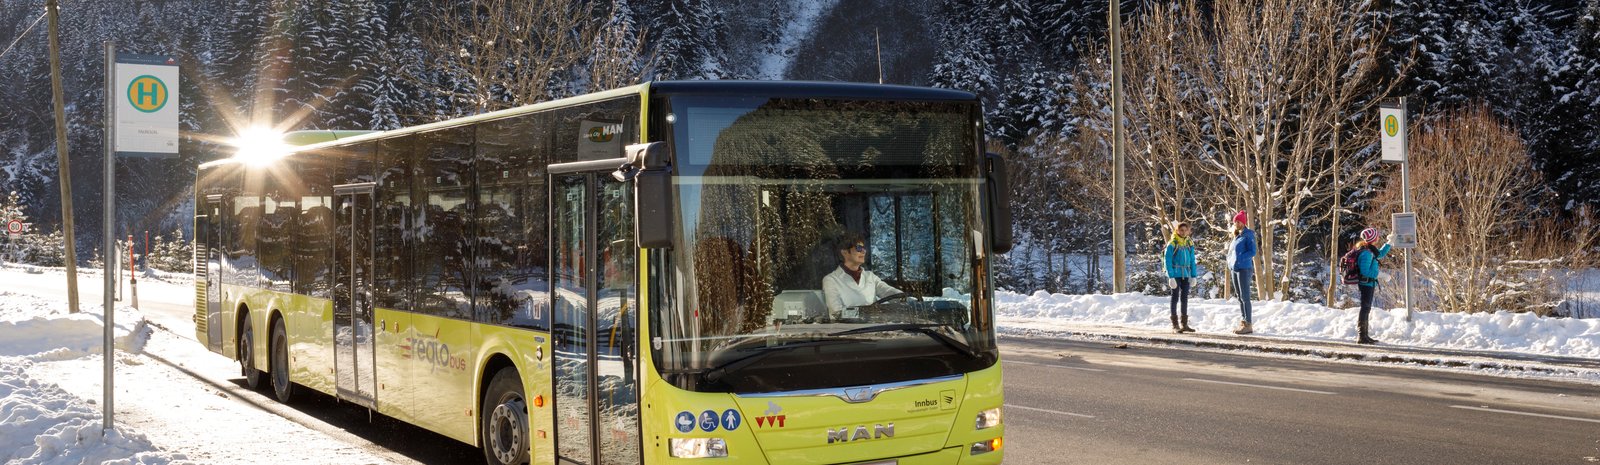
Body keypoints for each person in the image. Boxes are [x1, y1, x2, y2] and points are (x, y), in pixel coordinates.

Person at [822, 232, 902, 318]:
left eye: (864, 248)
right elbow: (836, 313)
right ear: (844, 252)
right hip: (849, 330)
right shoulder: (831, 280)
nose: (864, 251)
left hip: (875, 328)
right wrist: (866, 313)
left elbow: (888, 291)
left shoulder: (870, 276)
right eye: (859, 248)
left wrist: (905, 298)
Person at [1353, 227, 1393, 345]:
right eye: (1377, 236)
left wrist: (1389, 243)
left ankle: (1365, 335)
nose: (1378, 238)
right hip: (1366, 283)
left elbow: (1379, 254)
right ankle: (1362, 336)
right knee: (1365, 308)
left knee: (1366, 308)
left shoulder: (1370, 250)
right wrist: (1380, 275)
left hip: (1369, 283)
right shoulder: (1366, 253)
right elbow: (1364, 271)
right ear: (1373, 238)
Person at [1164, 222, 1198, 334]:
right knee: (1175, 298)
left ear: (1189, 231)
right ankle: (1175, 324)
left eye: (1185, 230)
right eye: (1181, 230)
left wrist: (1193, 275)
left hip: (1186, 274)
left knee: (1184, 298)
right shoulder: (1172, 243)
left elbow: (1192, 260)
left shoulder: (1189, 243)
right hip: (1176, 274)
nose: (1183, 232)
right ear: (1177, 231)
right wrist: (1171, 276)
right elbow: (1167, 261)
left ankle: (1184, 324)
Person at [1227, 210, 1257, 334]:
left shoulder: (1248, 235)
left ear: (1243, 222)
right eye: (1235, 222)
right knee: (1239, 297)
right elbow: (1231, 253)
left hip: (1244, 268)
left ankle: (1248, 324)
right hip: (1235, 268)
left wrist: (1239, 258)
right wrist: (1230, 262)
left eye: (1239, 221)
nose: (1237, 223)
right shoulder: (1236, 236)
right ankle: (1244, 321)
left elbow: (1253, 251)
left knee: (1245, 297)